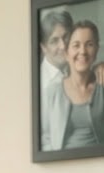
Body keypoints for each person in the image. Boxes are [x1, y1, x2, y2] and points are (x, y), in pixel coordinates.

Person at [43, 19, 104, 150]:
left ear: (97, 50)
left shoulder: (102, 85)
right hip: (63, 166)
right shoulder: (52, 91)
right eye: (76, 45)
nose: (83, 51)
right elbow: (45, 138)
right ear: (66, 53)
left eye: (89, 44)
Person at [39, 7, 73, 148]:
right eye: (54, 41)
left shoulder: (78, 71)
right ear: (44, 47)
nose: (63, 46)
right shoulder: (40, 84)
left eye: (66, 37)